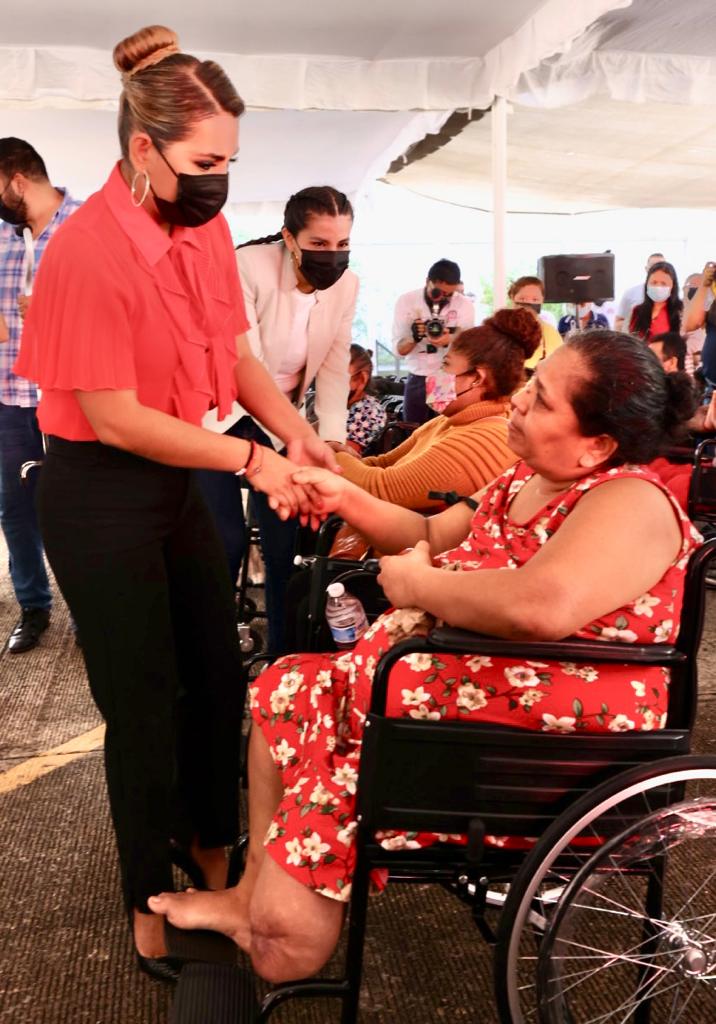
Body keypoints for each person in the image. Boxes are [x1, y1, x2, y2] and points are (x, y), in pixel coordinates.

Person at [150, 331, 700, 985]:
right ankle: (251, 894)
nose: (519, 400)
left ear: (598, 444)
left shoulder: (630, 500)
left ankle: (287, 891)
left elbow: (540, 607)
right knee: (286, 681)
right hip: (453, 703)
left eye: (542, 398)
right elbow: (429, 533)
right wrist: (340, 494)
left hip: (546, 745)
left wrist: (417, 587)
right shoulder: (529, 474)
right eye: (531, 382)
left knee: (281, 951)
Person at [13, 24, 338, 981]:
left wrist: (294, 435)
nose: (220, 180)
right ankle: (149, 900)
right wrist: (251, 465)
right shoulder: (83, 252)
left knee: (215, 675)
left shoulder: (195, 232)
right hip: (99, 489)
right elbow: (112, 419)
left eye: (232, 160)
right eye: (206, 160)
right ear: (143, 149)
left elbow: (237, 358)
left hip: (180, 470)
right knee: (143, 702)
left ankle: (214, 857)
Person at [197, 186, 358, 655]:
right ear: (289, 238)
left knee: (292, 544)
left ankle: (286, 657)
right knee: (222, 542)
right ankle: (213, 647)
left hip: (285, 421)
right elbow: (249, 365)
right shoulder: (247, 266)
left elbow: (333, 363)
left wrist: (332, 437)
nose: (333, 256)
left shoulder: (346, 285)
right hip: (220, 414)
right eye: (320, 244)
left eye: (343, 245)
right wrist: (293, 436)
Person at [0, 138, 81, 653]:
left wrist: (55, 314)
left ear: (15, 181)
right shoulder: (2, 237)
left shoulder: (88, 227)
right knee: (15, 508)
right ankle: (33, 607)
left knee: (76, 509)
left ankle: (88, 608)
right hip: (9, 393)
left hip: (74, 397)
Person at [334, 308, 540, 508]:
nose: (435, 375)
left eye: (445, 365)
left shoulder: (481, 440)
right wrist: (345, 454)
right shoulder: (449, 421)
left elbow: (379, 488)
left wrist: (328, 453)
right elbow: (383, 463)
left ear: (477, 378)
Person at [392, 258, 475, 425]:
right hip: (417, 375)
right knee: (413, 430)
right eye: (437, 292)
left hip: (445, 376)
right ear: (427, 282)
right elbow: (398, 351)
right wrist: (413, 337)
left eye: (449, 295)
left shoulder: (464, 305)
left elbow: (469, 346)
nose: (441, 298)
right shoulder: (406, 301)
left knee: (443, 428)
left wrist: (450, 338)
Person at [507, 276, 562, 369]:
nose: (528, 303)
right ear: (513, 298)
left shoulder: (550, 334)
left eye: (535, 300)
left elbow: (559, 366)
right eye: (522, 299)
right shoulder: (497, 330)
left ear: (542, 301)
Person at [342, 344, 387, 455]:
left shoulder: (366, 411)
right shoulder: (344, 406)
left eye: (338, 378)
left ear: (362, 379)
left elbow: (344, 458)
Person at [629, 261, 682, 342]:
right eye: (654, 282)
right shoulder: (637, 310)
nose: (658, 287)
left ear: (673, 286)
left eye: (664, 283)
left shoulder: (681, 311)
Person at [615, 252, 665, 331]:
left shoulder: (672, 295)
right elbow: (617, 324)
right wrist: (635, 321)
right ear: (646, 268)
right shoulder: (631, 293)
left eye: (661, 266)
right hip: (637, 341)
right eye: (653, 266)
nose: (657, 269)